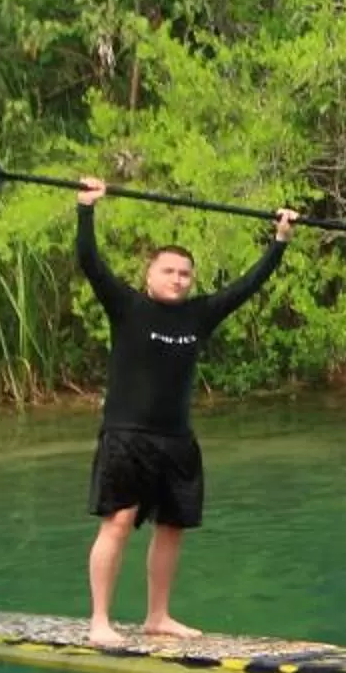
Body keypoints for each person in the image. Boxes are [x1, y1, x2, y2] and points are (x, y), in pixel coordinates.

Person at [77, 178, 296, 647]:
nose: (177, 279)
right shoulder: (127, 307)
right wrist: (86, 210)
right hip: (126, 436)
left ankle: (158, 616)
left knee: (172, 528)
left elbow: (247, 287)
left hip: (176, 440)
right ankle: (100, 622)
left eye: (185, 273)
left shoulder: (198, 315)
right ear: (149, 275)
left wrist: (278, 242)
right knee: (117, 522)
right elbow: (91, 264)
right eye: (169, 271)